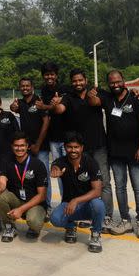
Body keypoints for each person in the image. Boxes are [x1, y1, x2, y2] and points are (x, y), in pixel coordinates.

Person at [54, 69, 115, 231]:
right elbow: (60, 109)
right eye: (74, 81)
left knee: (105, 182)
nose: (78, 83)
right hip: (80, 150)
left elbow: (96, 103)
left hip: (99, 146)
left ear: (86, 80)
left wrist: (91, 97)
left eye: (80, 80)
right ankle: (86, 214)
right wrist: (56, 105)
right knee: (82, 183)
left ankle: (107, 215)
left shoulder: (96, 92)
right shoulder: (68, 97)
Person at [98, 70, 139, 238]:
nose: (115, 85)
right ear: (108, 84)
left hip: (135, 152)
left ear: (124, 81)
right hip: (115, 152)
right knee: (120, 187)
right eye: (112, 82)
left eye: (118, 81)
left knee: (138, 187)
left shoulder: (136, 98)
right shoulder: (107, 98)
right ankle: (125, 220)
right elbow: (91, 95)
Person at [50, 131, 106, 253]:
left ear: (82, 148)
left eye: (76, 147)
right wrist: (55, 170)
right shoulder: (61, 161)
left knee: (98, 204)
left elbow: (97, 191)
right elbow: (55, 166)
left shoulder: (91, 163)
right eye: (70, 147)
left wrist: (76, 200)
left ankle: (96, 234)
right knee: (55, 219)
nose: (73, 150)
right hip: (69, 205)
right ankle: (70, 226)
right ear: (65, 147)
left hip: (87, 205)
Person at [0, 132, 48, 242]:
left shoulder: (38, 165)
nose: (19, 149)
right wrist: (1, 185)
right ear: (12, 146)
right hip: (17, 200)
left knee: (34, 222)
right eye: (16, 145)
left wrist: (21, 209)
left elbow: (42, 196)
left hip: (34, 203)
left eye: (22, 145)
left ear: (27, 146)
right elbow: (2, 177)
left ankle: (34, 227)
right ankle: (9, 227)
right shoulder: (7, 161)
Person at [10, 77, 51, 206]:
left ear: (32, 87)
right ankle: (31, 203)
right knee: (29, 176)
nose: (25, 88)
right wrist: (13, 107)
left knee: (43, 177)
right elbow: (14, 108)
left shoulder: (39, 101)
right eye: (22, 86)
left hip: (40, 147)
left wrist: (38, 144)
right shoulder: (20, 103)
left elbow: (46, 121)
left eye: (28, 86)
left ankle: (46, 205)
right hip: (26, 147)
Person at [36, 62, 69, 196]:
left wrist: (47, 106)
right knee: (58, 171)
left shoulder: (65, 88)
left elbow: (61, 108)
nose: (49, 77)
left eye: (52, 74)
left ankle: (71, 201)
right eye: (46, 74)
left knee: (69, 171)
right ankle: (64, 201)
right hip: (53, 138)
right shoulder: (44, 90)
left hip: (67, 137)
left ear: (56, 75)